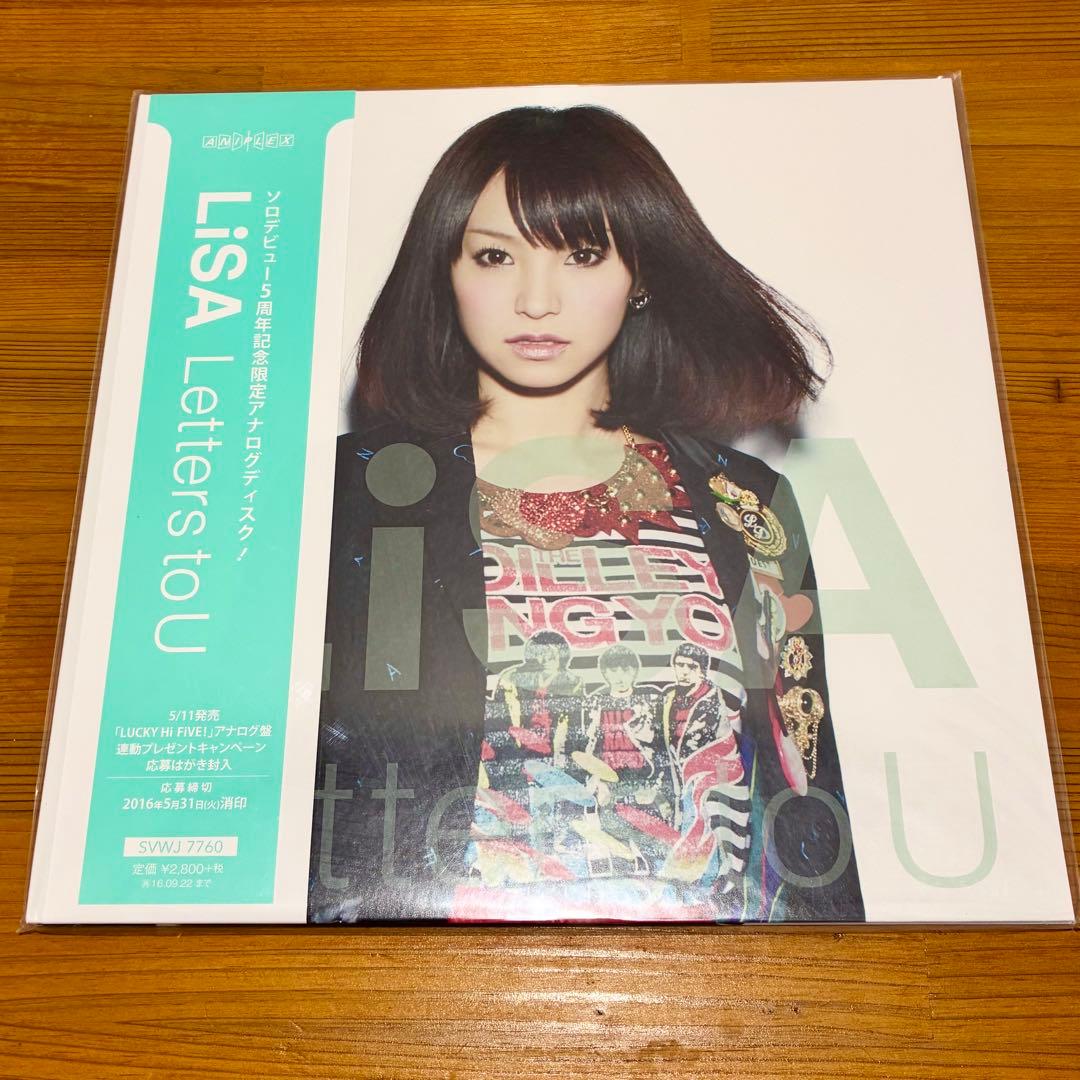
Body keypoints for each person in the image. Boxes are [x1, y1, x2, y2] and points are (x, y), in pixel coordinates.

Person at [309, 104, 864, 923]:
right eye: (495, 256)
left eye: (581, 254)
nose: (536, 301)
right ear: (445, 271)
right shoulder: (348, 495)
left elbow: (806, 797)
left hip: (716, 974)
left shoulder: (744, 503)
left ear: (640, 274)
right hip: (420, 966)